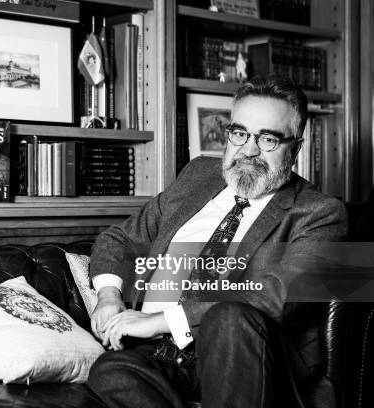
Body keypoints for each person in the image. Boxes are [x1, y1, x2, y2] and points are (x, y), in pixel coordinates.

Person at [86, 76, 347, 408]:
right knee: (110, 370)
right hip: (159, 355)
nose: (249, 150)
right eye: (239, 133)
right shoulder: (198, 175)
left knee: (230, 317)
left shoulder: (320, 212)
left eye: (268, 139)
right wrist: (108, 298)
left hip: (243, 356)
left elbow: (276, 297)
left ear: (295, 147)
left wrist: (160, 321)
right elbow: (121, 237)